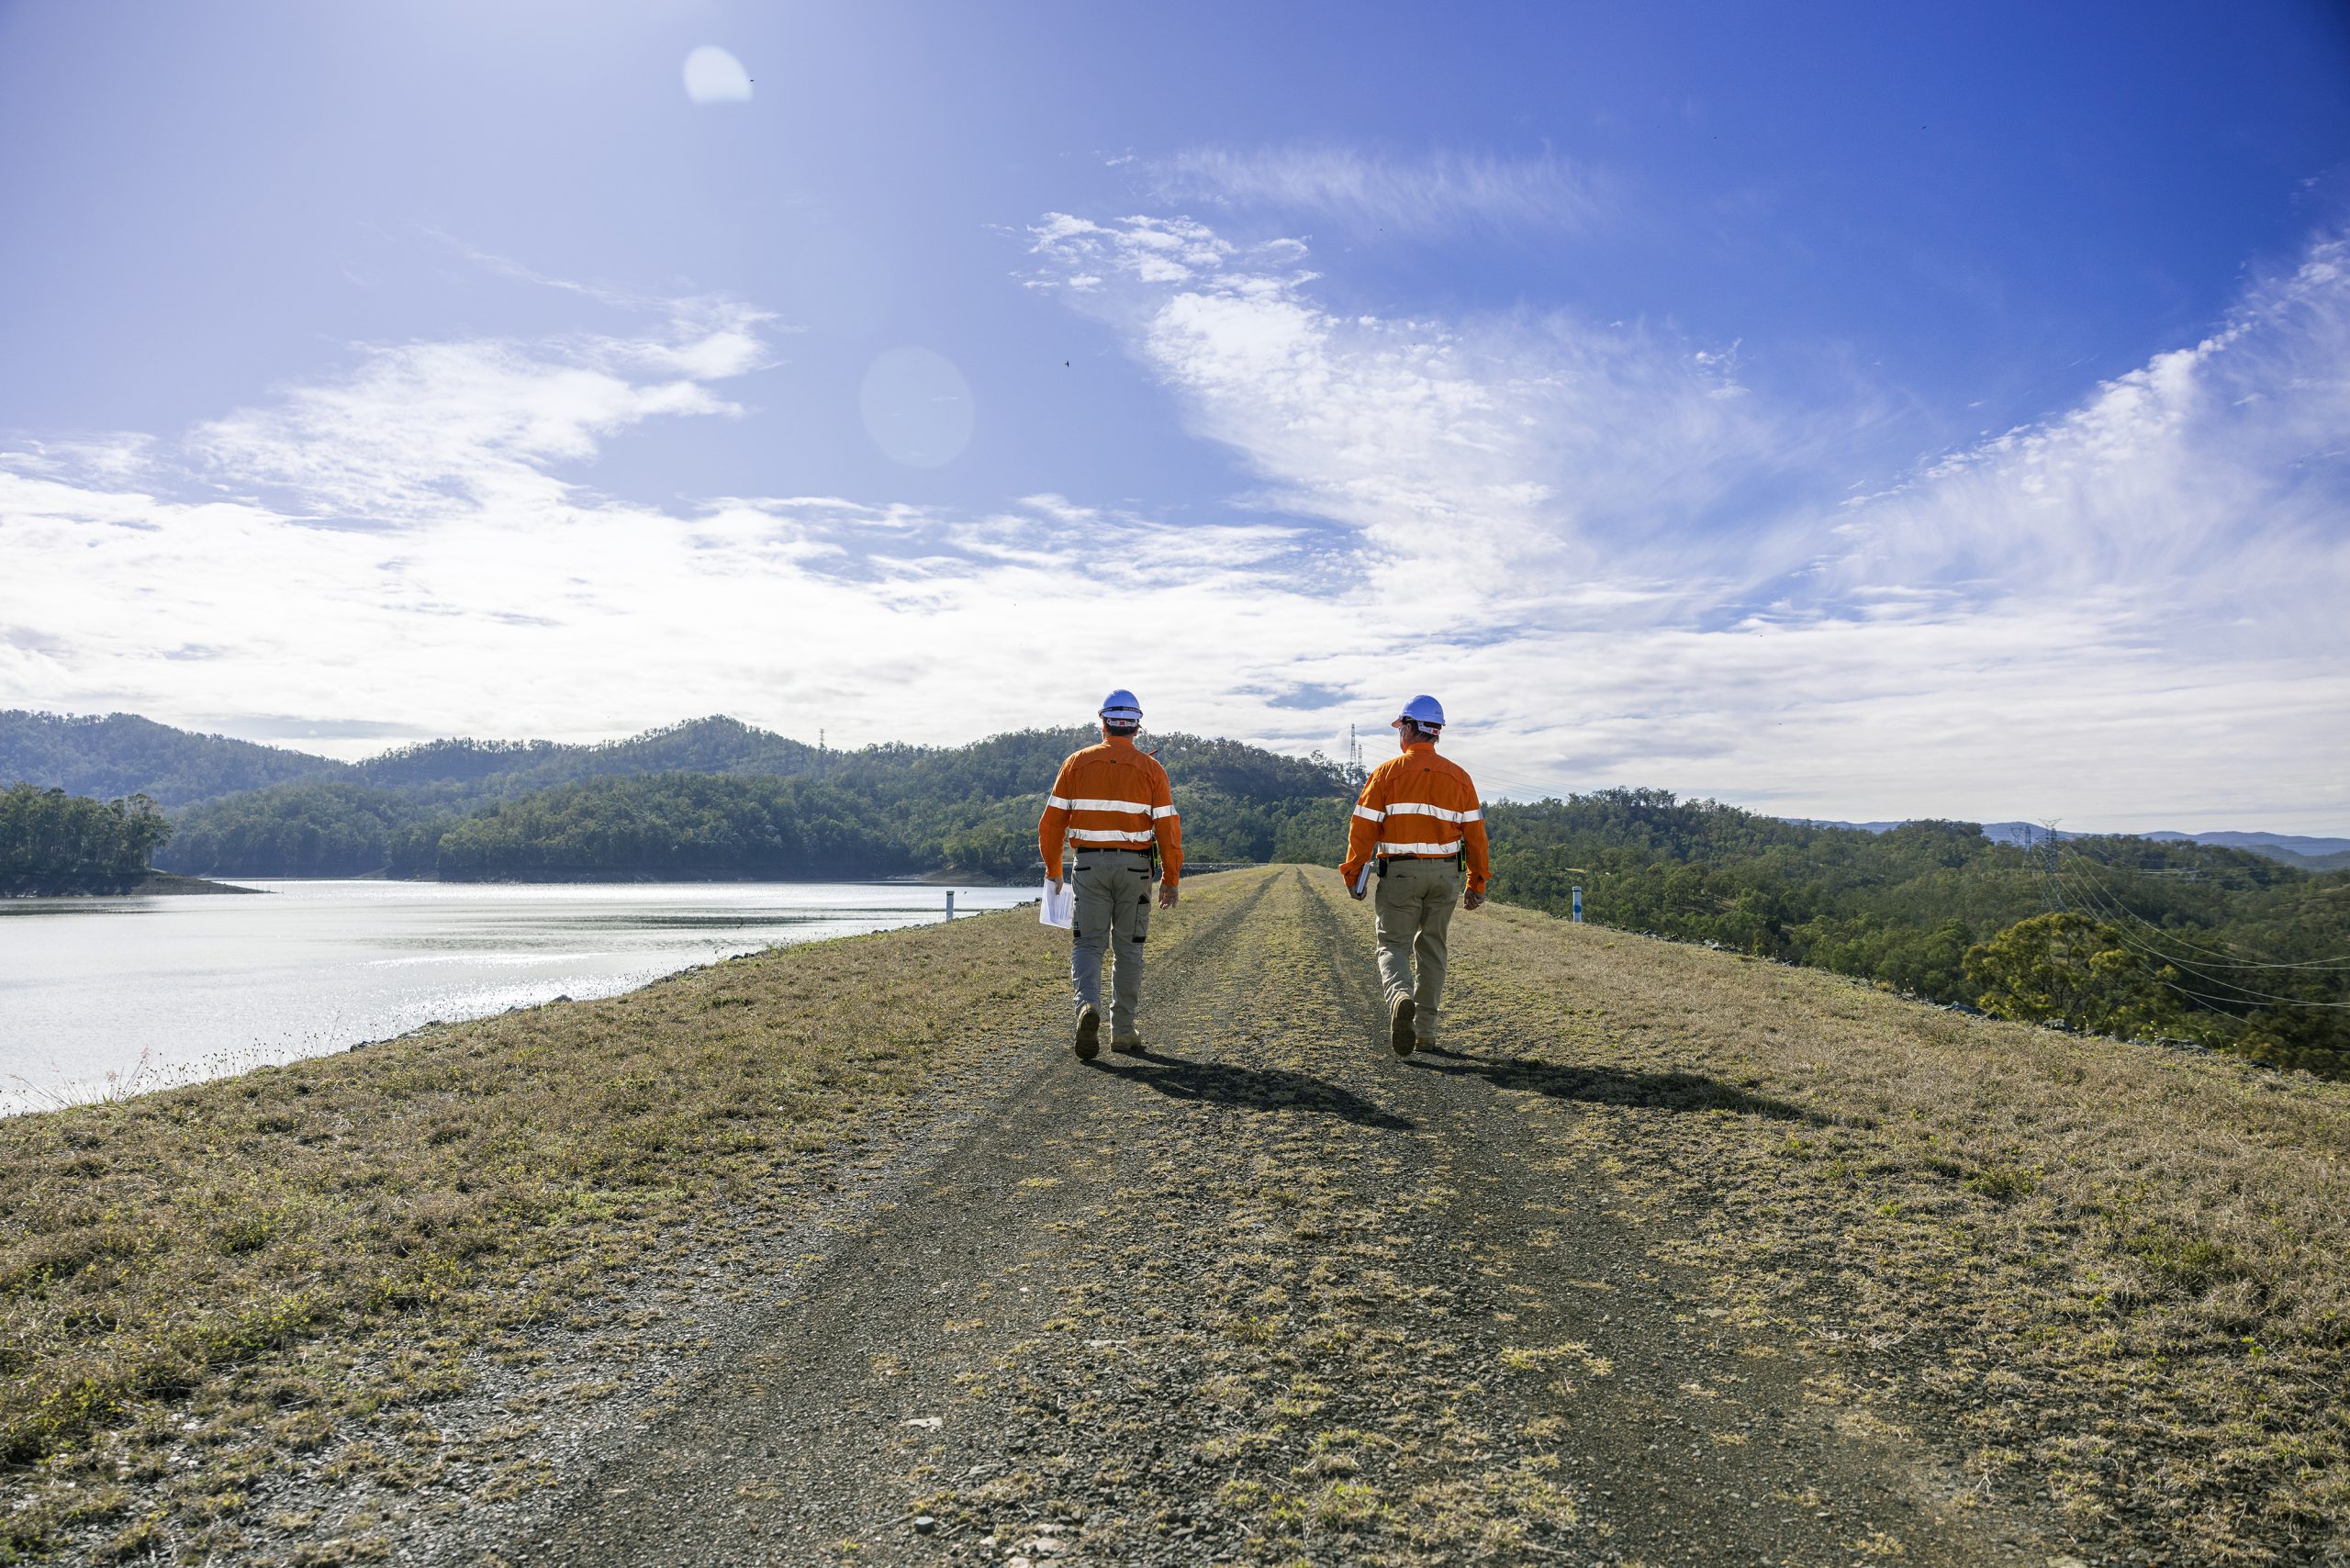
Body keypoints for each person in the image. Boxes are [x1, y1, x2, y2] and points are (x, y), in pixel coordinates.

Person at [1338, 694, 1489, 1055]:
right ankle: (1425, 1033)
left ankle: (1400, 996)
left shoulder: (1386, 773)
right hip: (1445, 877)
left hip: (1401, 874)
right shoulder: (1459, 777)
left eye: (1399, 727)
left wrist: (1353, 871)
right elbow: (1476, 835)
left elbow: (1363, 828)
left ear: (1408, 728)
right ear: (1436, 733)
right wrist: (1477, 881)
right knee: (1433, 949)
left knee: (1392, 945)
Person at [1038, 689, 1182, 1059]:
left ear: (1102, 723)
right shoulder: (1153, 770)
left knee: (1088, 944)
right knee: (1129, 948)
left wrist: (1054, 870)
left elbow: (1051, 825)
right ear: (1136, 726)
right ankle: (1122, 1032)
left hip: (1087, 865)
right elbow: (1168, 829)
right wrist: (1170, 878)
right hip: (1135, 869)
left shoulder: (1075, 763)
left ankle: (1087, 1007)